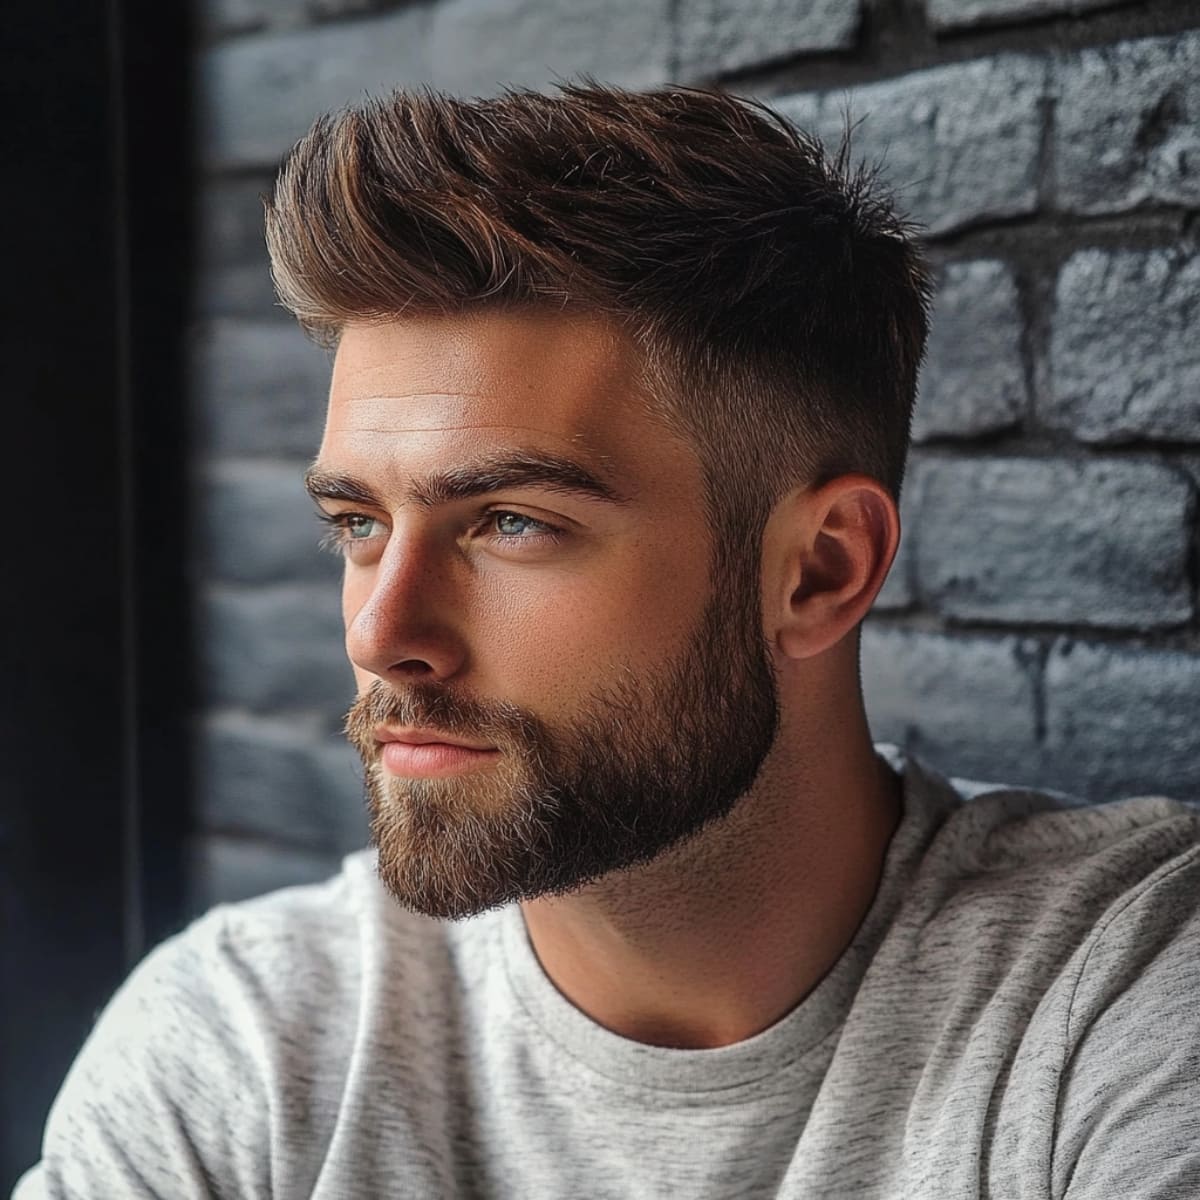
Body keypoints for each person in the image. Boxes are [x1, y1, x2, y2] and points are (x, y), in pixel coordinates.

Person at [15, 83, 1200, 1199]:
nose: (385, 634)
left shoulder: (1119, 988)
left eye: (513, 522)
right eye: (359, 524)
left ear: (819, 569)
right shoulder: (245, 1050)